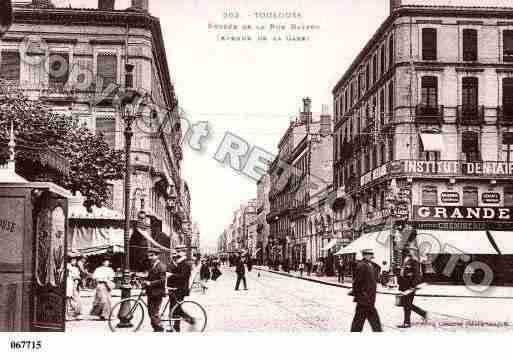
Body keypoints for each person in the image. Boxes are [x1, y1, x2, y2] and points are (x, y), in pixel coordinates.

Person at [350, 249, 383, 332]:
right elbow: (357, 282)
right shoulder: (362, 266)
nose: (371, 256)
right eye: (369, 254)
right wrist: (359, 294)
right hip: (365, 299)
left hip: (368, 298)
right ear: (364, 255)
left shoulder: (369, 265)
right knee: (373, 322)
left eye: (371, 254)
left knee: (359, 321)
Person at [397, 245, 428, 328]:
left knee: (407, 304)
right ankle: (422, 313)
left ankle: (407, 322)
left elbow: (417, 275)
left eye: (412, 250)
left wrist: (413, 286)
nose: (410, 251)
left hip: (410, 286)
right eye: (410, 250)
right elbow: (402, 271)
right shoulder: (405, 259)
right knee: (406, 303)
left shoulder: (415, 261)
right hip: (404, 286)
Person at [167, 249, 194, 332]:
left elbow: (184, 276)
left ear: (183, 253)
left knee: (177, 309)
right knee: (175, 308)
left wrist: (171, 275)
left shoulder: (185, 263)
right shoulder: (180, 262)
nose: (177, 254)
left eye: (179, 252)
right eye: (177, 252)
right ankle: (175, 327)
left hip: (180, 289)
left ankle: (190, 320)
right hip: (176, 288)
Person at [143, 248, 167, 332]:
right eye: (149, 255)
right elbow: (150, 277)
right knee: (150, 311)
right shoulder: (152, 265)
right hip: (151, 292)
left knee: (154, 312)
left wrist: (150, 283)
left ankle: (159, 328)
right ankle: (156, 327)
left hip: (158, 292)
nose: (150, 257)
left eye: (152, 255)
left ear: (157, 256)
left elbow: (162, 280)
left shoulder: (161, 266)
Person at [90, 256, 115, 321]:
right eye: (106, 261)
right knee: (102, 300)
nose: (107, 263)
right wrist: (102, 279)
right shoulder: (98, 269)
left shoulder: (110, 269)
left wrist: (108, 280)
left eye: (108, 261)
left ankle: (105, 315)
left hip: (107, 286)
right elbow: (94, 277)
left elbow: (112, 278)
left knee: (108, 300)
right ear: (103, 262)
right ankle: (101, 314)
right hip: (100, 285)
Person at [66, 253, 81, 320]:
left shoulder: (76, 268)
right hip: (69, 284)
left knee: (76, 300)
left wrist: (77, 278)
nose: (74, 262)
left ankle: (75, 314)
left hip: (74, 285)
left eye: (75, 260)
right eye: (73, 260)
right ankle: (67, 315)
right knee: (68, 300)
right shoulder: (67, 267)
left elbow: (77, 277)